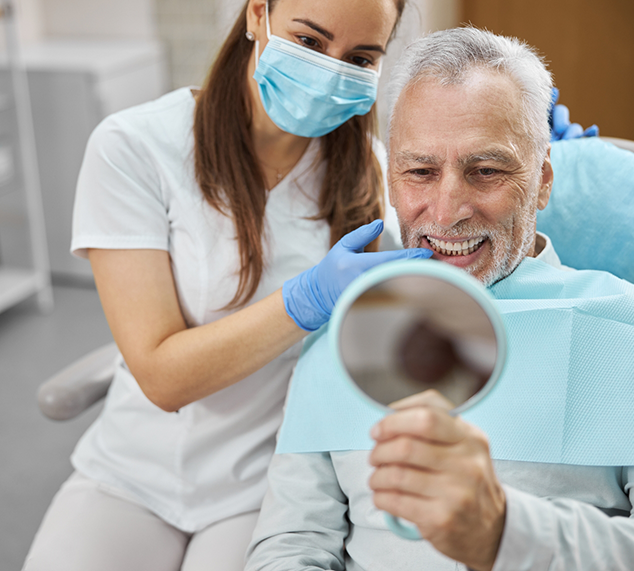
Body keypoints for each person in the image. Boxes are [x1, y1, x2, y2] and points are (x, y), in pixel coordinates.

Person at [244, 27, 634, 571]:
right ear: (391, 182)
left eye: (486, 171)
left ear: (543, 181)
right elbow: (292, 540)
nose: (446, 211)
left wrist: (506, 534)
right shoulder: (341, 334)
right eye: (420, 171)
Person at [22, 1, 438, 570]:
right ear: (257, 15)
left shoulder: (369, 172)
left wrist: (536, 164)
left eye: (360, 57)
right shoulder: (136, 147)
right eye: (311, 42)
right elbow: (162, 377)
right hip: (131, 472)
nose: (331, 70)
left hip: (265, 484)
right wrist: (305, 301)